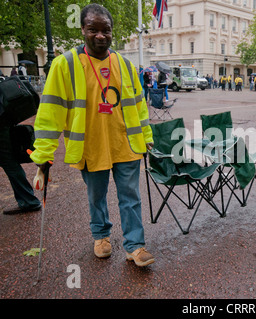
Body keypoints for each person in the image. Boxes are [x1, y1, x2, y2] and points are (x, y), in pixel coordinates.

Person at [29, 4, 155, 267]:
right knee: (96, 197)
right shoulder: (65, 64)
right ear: (83, 30)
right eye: (93, 29)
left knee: (131, 197)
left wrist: (146, 136)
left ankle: (135, 245)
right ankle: (101, 236)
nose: (100, 35)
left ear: (112, 32)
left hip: (126, 144)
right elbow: (51, 112)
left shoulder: (125, 65)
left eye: (106, 30)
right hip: (91, 147)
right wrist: (43, 156)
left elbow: (139, 105)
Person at [0, 85, 41, 214]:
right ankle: (28, 200)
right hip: (3, 118)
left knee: (8, 162)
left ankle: (29, 201)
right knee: (9, 162)